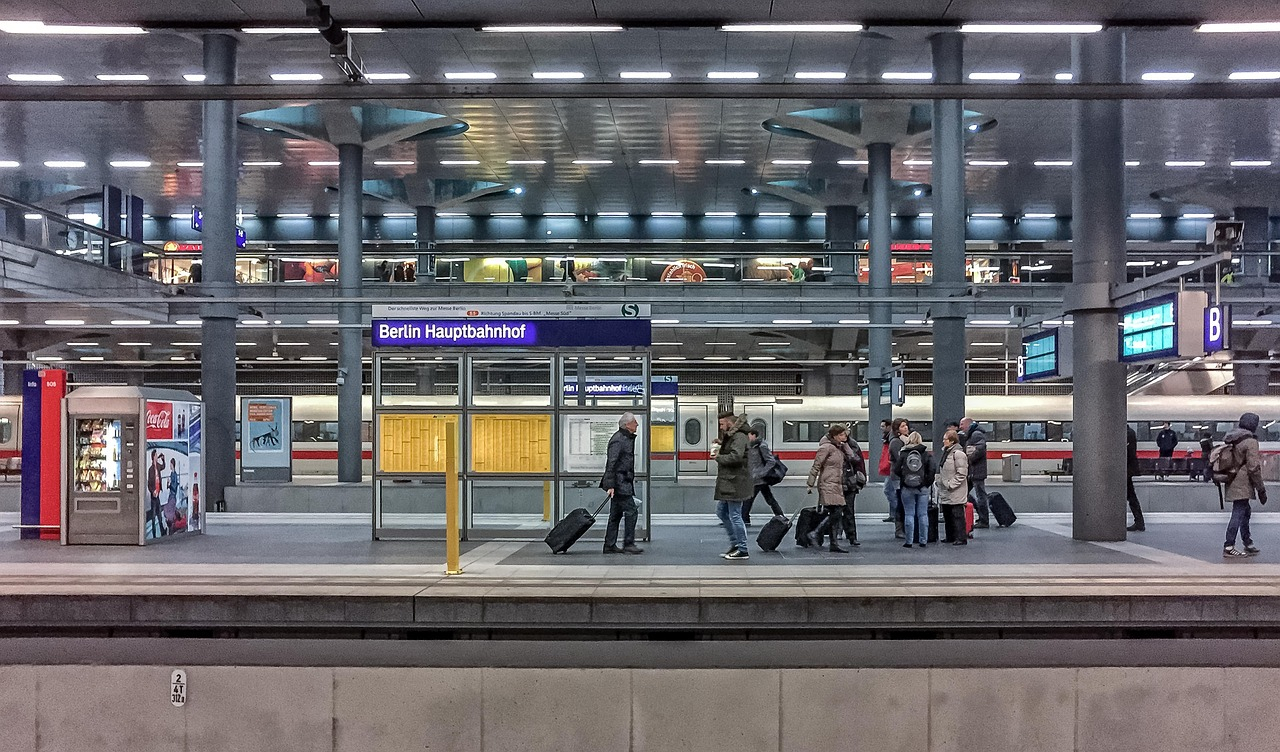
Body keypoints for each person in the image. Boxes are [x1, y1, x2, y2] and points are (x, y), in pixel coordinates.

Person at [1222, 412, 1268, 558]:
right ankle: (1229, 546)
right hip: (1242, 482)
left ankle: (1247, 542)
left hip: (1232, 478)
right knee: (1239, 512)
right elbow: (1254, 467)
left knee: (1245, 511)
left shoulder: (1233, 437)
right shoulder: (1250, 441)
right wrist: (1261, 489)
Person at [600, 412, 643, 554]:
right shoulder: (619, 440)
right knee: (632, 511)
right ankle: (628, 543)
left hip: (622, 482)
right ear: (627, 425)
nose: (637, 424)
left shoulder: (625, 438)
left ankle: (609, 544)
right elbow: (611, 463)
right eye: (634, 422)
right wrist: (611, 485)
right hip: (620, 484)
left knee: (615, 515)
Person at [712, 411, 753, 560]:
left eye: (722, 424)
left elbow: (736, 455)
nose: (721, 427)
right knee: (722, 512)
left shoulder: (739, 436)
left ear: (729, 422)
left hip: (736, 481)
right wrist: (722, 445)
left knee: (735, 515)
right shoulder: (734, 436)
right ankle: (736, 544)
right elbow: (735, 450)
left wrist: (719, 457)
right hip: (730, 481)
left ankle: (742, 548)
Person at [805, 424, 852, 553]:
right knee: (837, 510)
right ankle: (817, 532)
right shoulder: (826, 448)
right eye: (842, 434)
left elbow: (852, 456)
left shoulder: (839, 448)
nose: (845, 437)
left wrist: (845, 444)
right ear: (835, 435)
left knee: (836, 512)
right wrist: (810, 484)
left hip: (836, 484)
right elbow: (816, 466)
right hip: (828, 484)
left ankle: (833, 543)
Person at [894, 431, 934, 548]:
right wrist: (926, 483)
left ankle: (909, 541)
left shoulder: (903, 453)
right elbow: (932, 469)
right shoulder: (926, 454)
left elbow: (896, 469)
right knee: (922, 514)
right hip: (922, 488)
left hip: (907, 488)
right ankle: (923, 540)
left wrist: (904, 479)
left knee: (909, 514)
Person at [743, 427, 785, 526]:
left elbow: (771, 461)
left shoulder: (761, 446)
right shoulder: (750, 446)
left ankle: (744, 519)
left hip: (759, 478)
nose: (747, 437)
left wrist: (761, 473)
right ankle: (780, 515)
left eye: (748, 435)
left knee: (748, 499)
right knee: (769, 498)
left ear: (754, 435)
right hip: (757, 478)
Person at [936, 429, 970, 545]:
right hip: (946, 489)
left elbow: (962, 473)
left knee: (957, 515)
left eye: (945, 439)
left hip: (955, 490)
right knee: (948, 514)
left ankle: (961, 537)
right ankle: (950, 536)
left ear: (952, 441)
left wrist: (951, 484)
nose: (943, 441)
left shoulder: (958, 454)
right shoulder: (946, 453)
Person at [959, 417, 990, 528]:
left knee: (980, 495)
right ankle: (980, 516)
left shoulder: (976, 434)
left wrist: (969, 458)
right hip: (973, 471)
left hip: (976, 471)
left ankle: (984, 520)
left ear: (968, 424)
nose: (960, 427)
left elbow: (980, 449)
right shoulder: (972, 435)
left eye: (962, 424)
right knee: (965, 493)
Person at [838, 430, 865, 546]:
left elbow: (856, 460)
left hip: (849, 482)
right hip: (837, 483)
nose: (843, 437)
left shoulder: (852, 446)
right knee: (835, 511)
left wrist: (846, 448)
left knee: (849, 511)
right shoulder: (829, 447)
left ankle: (852, 536)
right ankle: (836, 535)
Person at [884, 418, 910, 538]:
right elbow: (900, 459)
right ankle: (899, 529)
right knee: (900, 502)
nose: (906, 428)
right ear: (897, 429)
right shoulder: (896, 442)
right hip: (898, 476)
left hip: (905, 476)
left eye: (906, 426)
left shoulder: (905, 440)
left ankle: (904, 528)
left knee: (904, 502)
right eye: (902, 426)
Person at [1126, 424, 1145, 532]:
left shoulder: (1127, 433)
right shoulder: (1129, 432)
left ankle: (1139, 521)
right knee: (1131, 496)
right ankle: (1139, 521)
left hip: (1126, 469)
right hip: (1127, 469)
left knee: (1131, 496)